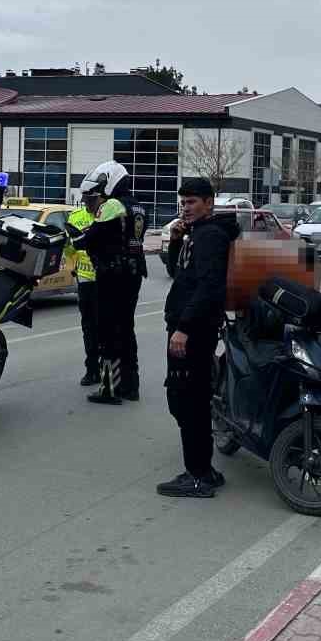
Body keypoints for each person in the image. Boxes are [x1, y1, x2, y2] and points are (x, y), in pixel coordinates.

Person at [156, 176, 239, 498]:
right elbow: (183, 277)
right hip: (191, 328)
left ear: (209, 203)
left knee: (186, 401)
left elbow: (209, 287)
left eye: (192, 202)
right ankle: (205, 470)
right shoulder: (198, 234)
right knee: (190, 400)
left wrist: (184, 328)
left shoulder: (210, 237)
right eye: (183, 202)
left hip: (192, 331)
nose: (185, 208)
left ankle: (198, 475)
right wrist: (177, 240)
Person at [64, 161, 148, 405]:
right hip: (133, 275)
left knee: (107, 332)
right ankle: (131, 386)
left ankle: (109, 389)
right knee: (126, 329)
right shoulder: (138, 206)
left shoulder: (112, 205)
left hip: (112, 275)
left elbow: (87, 240)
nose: (93, 199)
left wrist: (72, 233)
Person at [65, 203, 100, 386]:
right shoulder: (75, 217)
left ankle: (108, 370)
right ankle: (92, 369)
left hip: (105, 278)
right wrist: (71, 261)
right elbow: (69, 248)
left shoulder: (107, 213)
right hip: (85, 278)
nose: (88, 200)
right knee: (89, 328)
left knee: (105, 328)